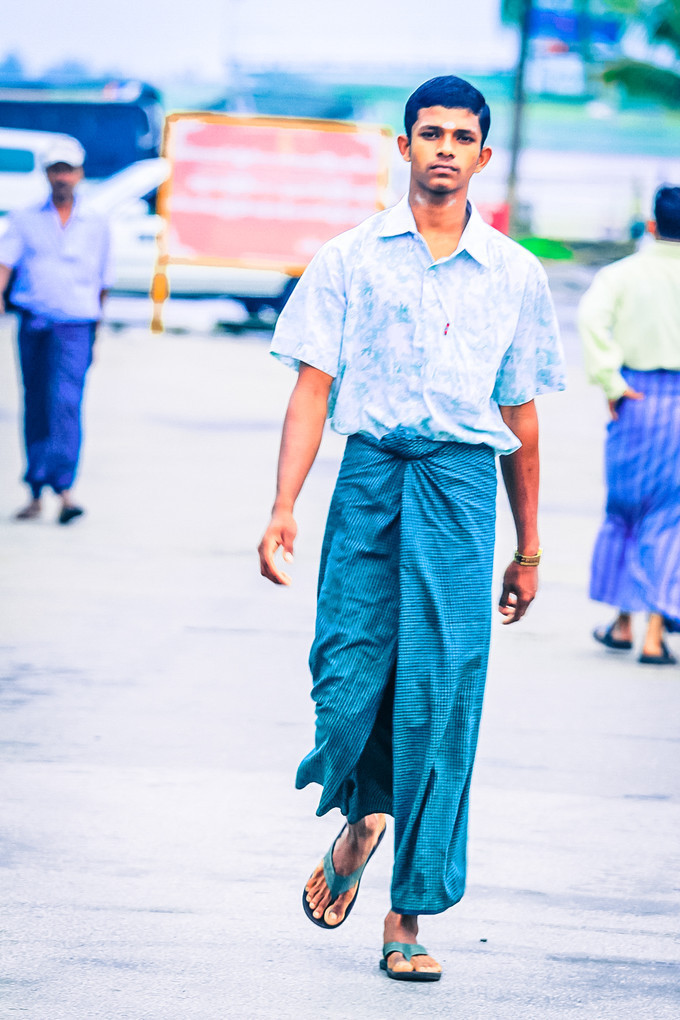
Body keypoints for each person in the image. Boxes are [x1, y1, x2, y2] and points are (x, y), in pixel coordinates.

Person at [258, 75, 565, 981]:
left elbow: (525, 418)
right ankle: (359, 820)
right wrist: (283, 507)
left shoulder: (515, 273)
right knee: (349, 681)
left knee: (443, 698)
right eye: (427, 134)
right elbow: (311, 388)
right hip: (369, 484)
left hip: (463, 490)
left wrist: (530, 545)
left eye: (459, 137)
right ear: (402, 148)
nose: (442, 149)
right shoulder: (352, 257)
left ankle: (408, 913)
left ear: (482, 155)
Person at [579, 185, 680, 666]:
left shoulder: (622, 274)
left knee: (626, 510)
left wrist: (610, 381)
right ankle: (654, 633)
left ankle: (623, 621)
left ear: (653, 224)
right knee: (670, 518)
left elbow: (591, 320)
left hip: (638, 397)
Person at [0, 137, 114, 524]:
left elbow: (103, 280)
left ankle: (64, 488)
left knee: (66, 403)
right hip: (35, 321)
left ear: (79, 174)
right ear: (47, 175)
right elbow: (4, 264)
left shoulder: (96, 222)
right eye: (55, 171)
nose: (62, 178)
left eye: (68, 170)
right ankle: (35, 487)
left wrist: (97, 329)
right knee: (36, 403)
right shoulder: (25, 218)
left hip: (76, 325)